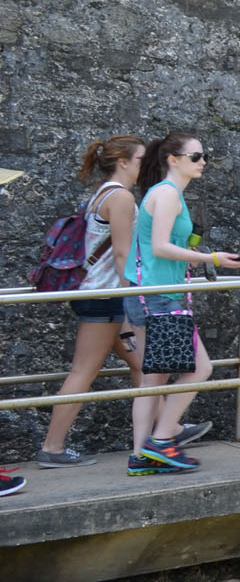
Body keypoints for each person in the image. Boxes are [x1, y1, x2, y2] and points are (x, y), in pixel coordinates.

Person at [124, 133, 240, 475]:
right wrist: (211, 259)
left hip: (149, 291)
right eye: (196, 156)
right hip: (160, 296)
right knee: (200, 368)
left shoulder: (166, 194)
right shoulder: (166, 195)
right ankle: (161, 440)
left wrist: (202, 260)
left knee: (153, 380)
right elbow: (161, 247)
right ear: (173, 160)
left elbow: (158, 250)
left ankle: (141, 455)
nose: (203, 161)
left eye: (204, 155)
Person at [37, 136, 145, 468]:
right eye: (141, 158)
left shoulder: (102, 192)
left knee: (144, 364)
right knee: (84, 371)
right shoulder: (121, 197)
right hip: (104, 296)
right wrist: (132, 302)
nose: (144, 164)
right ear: (123, 162)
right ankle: (52, 448)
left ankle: (159, 435)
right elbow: (124, 254)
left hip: (103, 295)